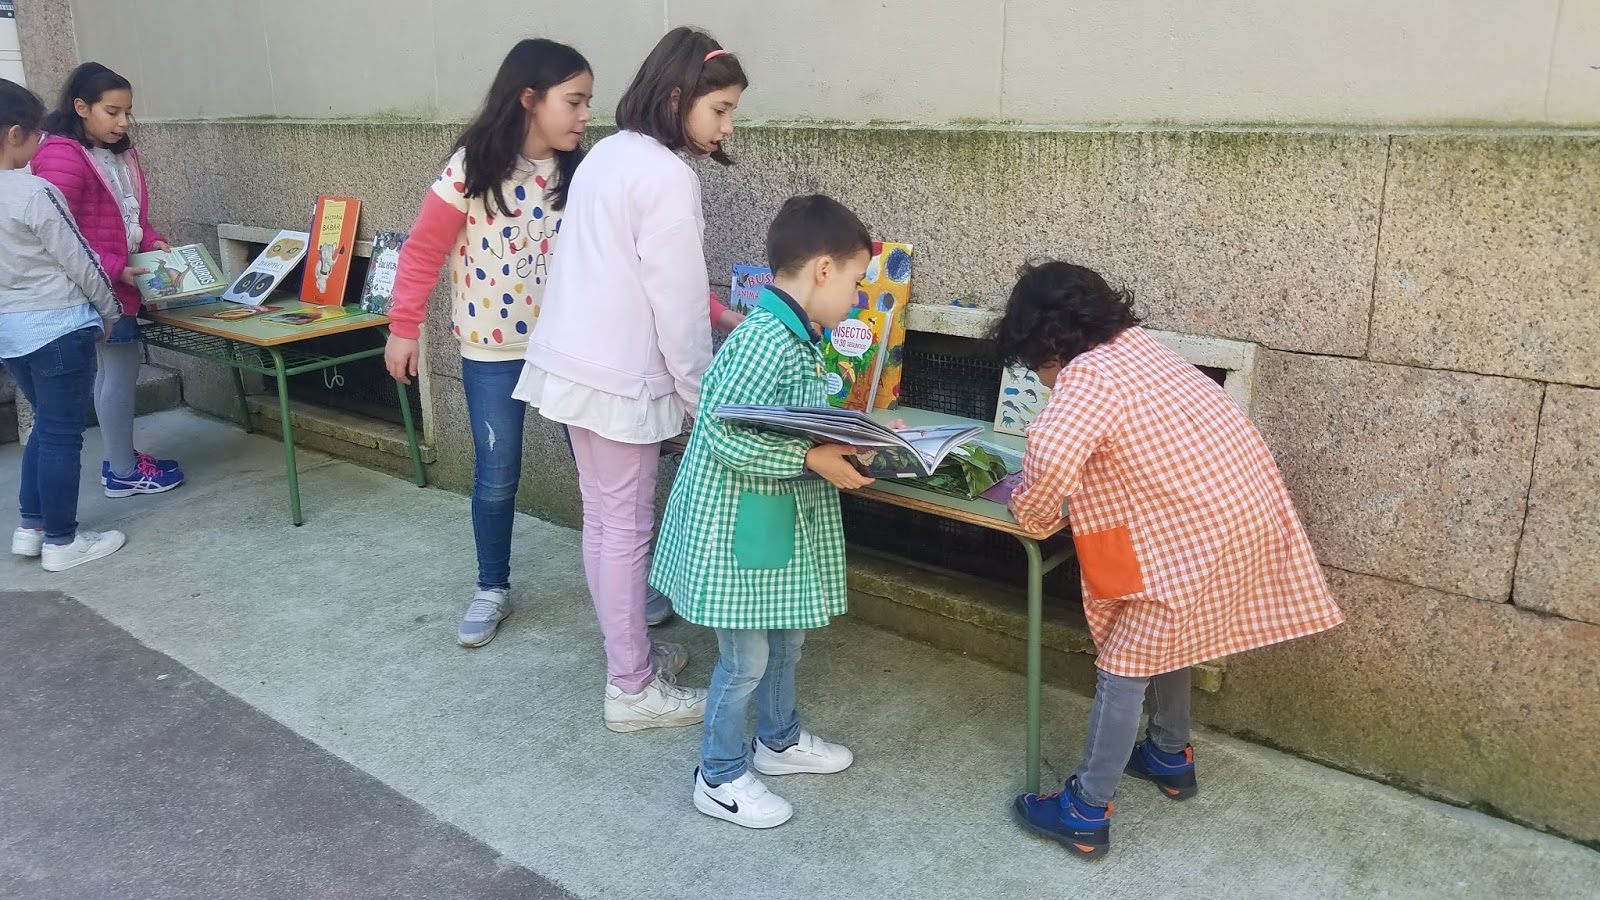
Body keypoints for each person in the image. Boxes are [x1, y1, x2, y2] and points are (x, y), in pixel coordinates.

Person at [994, 261, 1345, 859]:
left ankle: (1085, 809)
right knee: (1168, 640)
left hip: (1190, 537)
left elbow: (1050, 454)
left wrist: (1031, 512)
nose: (1044, 382)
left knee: (1124, 665)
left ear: (1049, 345)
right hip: (1240, 519)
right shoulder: (1142, 350)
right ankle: (1168, 752)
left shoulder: (1087, 374)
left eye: (1037, 367)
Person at [514, 26, 747, 731]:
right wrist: (702, 396)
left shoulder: (610, 153)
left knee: (606, 523)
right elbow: (675, 303)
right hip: (618, 377)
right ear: (677, 98)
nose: (726, 128)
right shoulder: (666, 175)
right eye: (719, 110)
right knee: (625, 529)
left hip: (576, 367)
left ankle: (631, 658)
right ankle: (632, 687)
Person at [651, 194, 875, 829]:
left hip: (769, 519)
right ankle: (718, 775)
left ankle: (778, 741)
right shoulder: (764, 339)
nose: (857, 297)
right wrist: (811, 458)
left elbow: (780, 421)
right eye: (856, 281)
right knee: (744, 660)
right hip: (739, 527)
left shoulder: (794, 336)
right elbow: (723, 433)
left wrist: (849, 440)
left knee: (786, 637)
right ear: (824, 270)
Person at [382, 38, 594, 649]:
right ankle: (491, 586)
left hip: (568, 351)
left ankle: (623, 580)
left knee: (598, 475)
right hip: (492, 354)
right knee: (497, 476)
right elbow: (422, 250)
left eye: (588, 102)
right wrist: (403, 327)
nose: (585, 116)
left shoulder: (581, 172)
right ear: (529, 98)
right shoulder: (471, 168)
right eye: (574, 101)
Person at [32, 62, 183, 499]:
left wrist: (151, 241)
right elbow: (60, 235)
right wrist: (116, 267)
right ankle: (123, 471)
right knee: (119, 370)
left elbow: (130, 216)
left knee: (115, 370)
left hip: (119, 279)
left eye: (128, 112)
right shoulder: (61, 156)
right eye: (112, 112)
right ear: (81, 107)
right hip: (99, 285)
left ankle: (121, 460)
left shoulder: (118, 152)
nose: (123, 122)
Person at [0, 79, 127, 571]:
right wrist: (110, 311)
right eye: (36, 133)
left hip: (11, 334)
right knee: (61, 434)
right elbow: (80, 259)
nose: (41, 142)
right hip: (59, 326)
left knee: (44, 428)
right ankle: (61, 541)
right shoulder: (33, 192)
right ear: (14, 134)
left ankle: (32, 527)